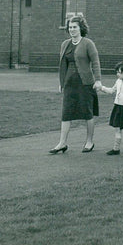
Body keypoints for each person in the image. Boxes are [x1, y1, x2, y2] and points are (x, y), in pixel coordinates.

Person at [50, 14, 102, 154]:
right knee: (66, 113)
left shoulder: (88, 43)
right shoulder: (65, 44)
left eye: (75, 27)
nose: (72, 30)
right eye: (70, 27)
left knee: (87, 113)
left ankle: (89, 142)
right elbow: (63, 65)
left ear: (81, 28)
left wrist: (98, 80)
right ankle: (62, 143)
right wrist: (61, 82)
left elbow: (96, 62)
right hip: (69, 83)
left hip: (85, 83)